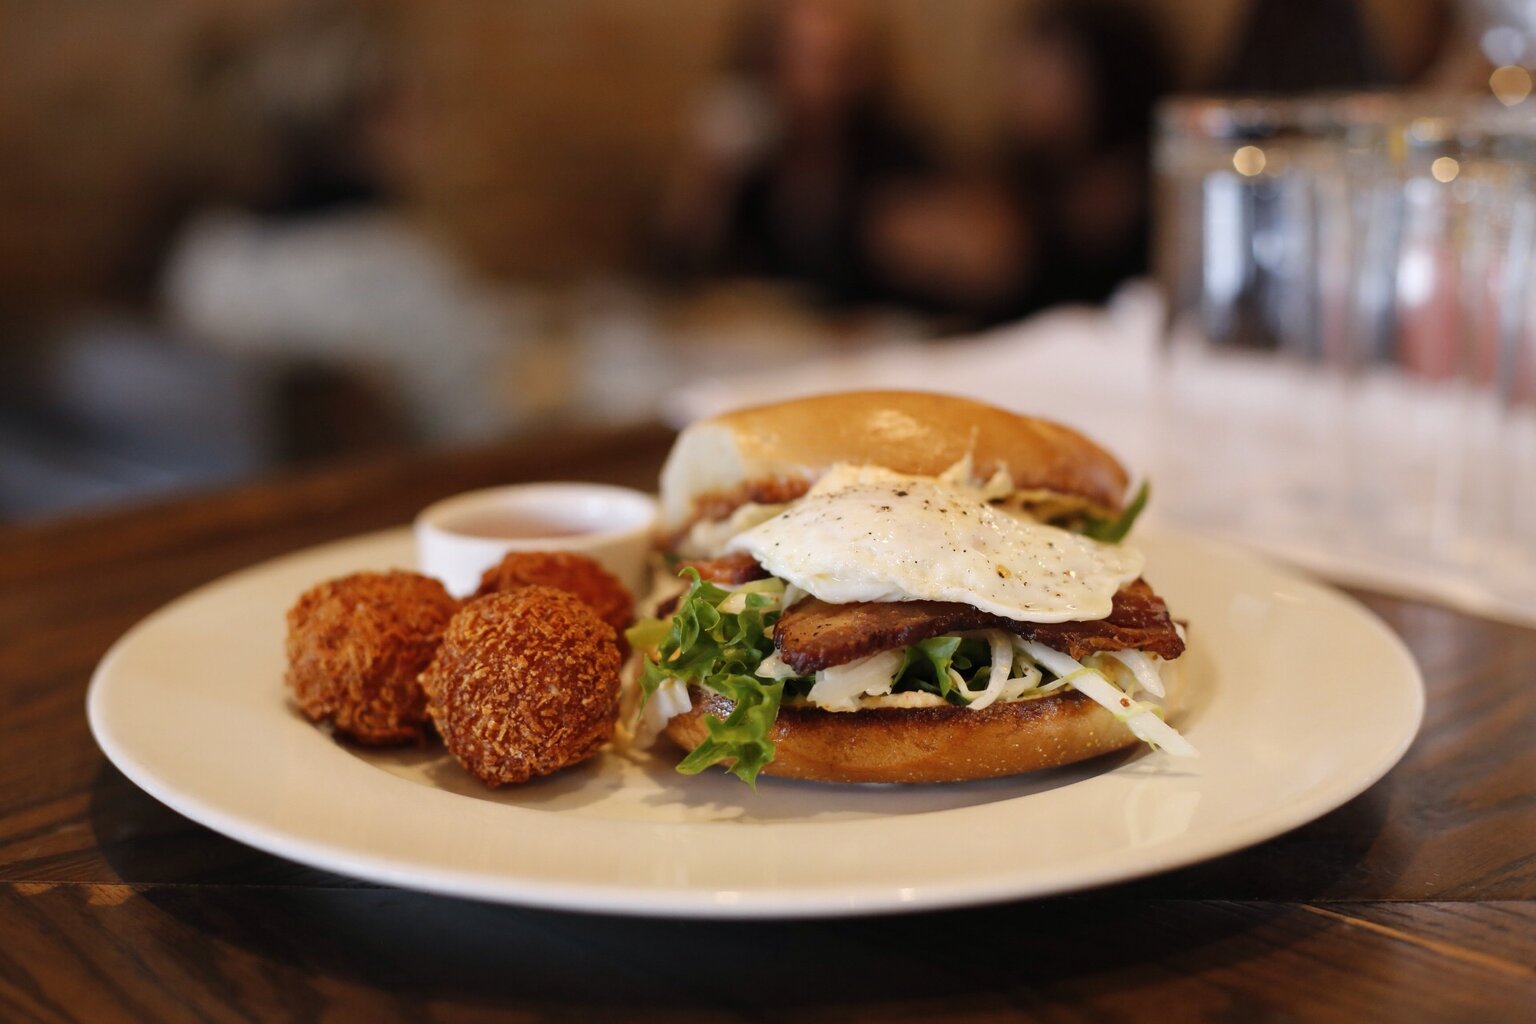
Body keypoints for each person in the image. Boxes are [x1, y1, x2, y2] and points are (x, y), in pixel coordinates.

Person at [656, 0, 935, 307]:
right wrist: (702, 181)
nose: (818, 84)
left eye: (836, 63)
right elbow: (673, 273)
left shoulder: (892, 154)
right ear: (766, 66)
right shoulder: (743, 153)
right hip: (753, 330)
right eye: (800, 59)